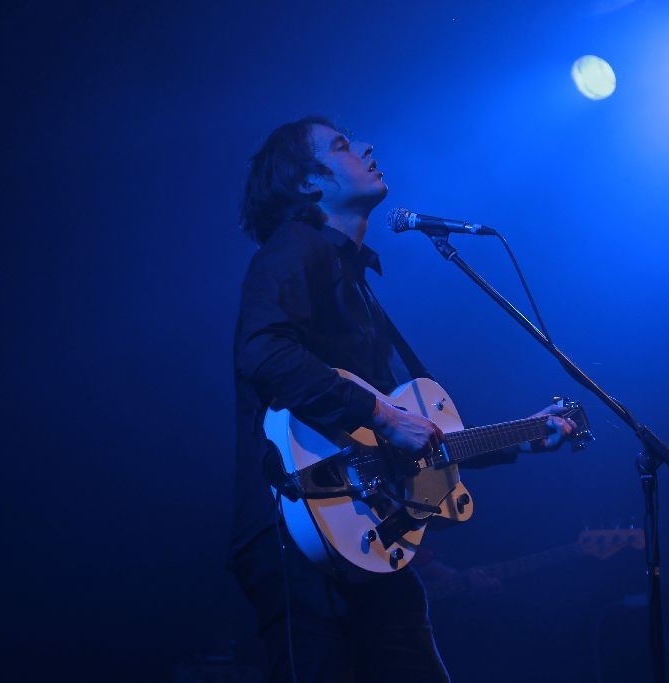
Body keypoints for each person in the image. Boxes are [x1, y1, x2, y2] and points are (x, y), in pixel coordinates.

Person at [229, 115, 576, 682]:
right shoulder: (295, 248)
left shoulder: (351, 277)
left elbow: (412, 438)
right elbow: (264, 353)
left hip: (364, 531)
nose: (367, 147)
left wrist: (523, 437)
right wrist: (385, 417)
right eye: (342, 145)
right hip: (297, 529)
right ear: (307, 182)